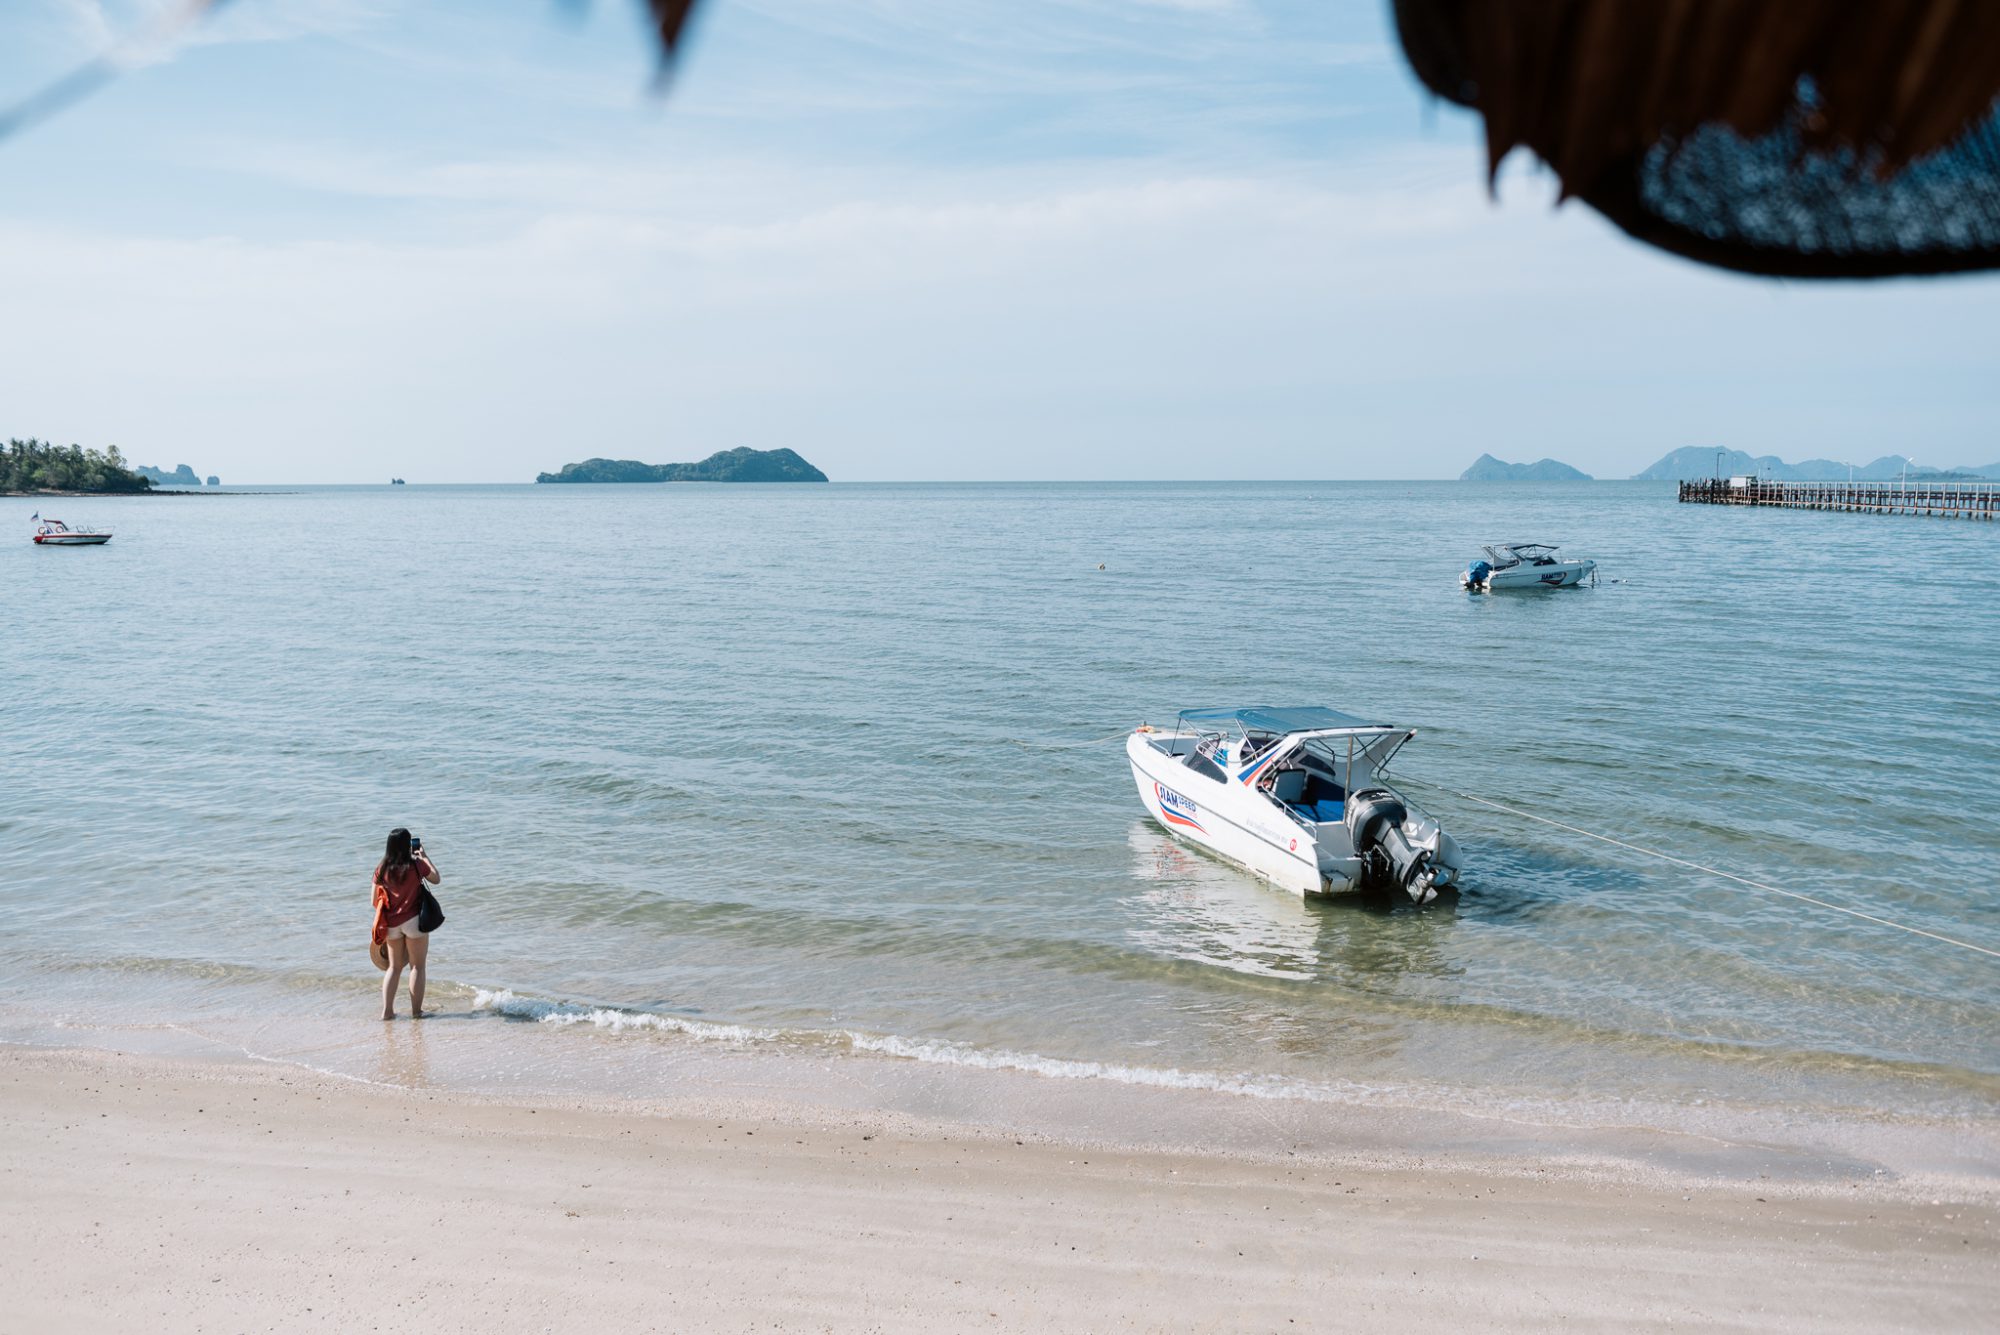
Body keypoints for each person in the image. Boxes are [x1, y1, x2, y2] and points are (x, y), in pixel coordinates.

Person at [372, 827, 440, 1020]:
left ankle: (387, 1012)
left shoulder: (381, 869)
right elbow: (436, 878)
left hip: (391, 925)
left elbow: (373, 901)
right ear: (408, 845)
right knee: (417, 967)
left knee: (393, 968)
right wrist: (425, 857)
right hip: (414, 923)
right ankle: (417, 1012)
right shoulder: (417, 865)